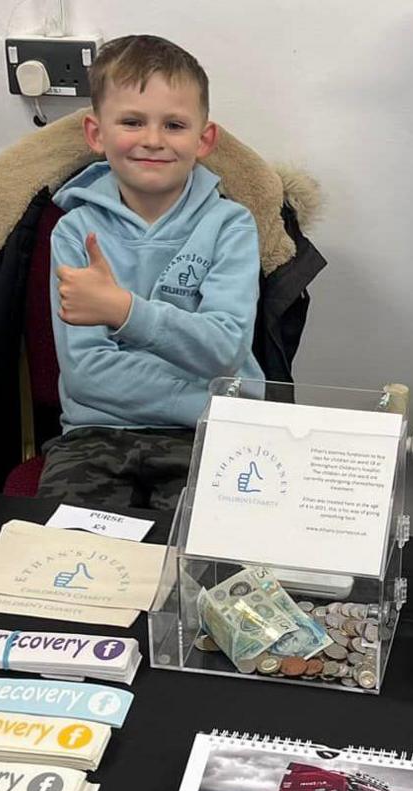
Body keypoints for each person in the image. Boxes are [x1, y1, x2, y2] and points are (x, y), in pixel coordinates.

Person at [35, 35, 263, 510]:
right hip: (95, 433)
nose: (153, 140)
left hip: (210, 432)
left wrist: (121, 311)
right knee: (71, 560)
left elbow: (226, 348)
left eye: (174, 124)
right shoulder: (75, 232)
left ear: (204, 139)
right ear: (96, 134)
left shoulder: (231, 225)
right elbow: (87, 376)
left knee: (203, 565)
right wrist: (200, 384)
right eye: (133, 122)